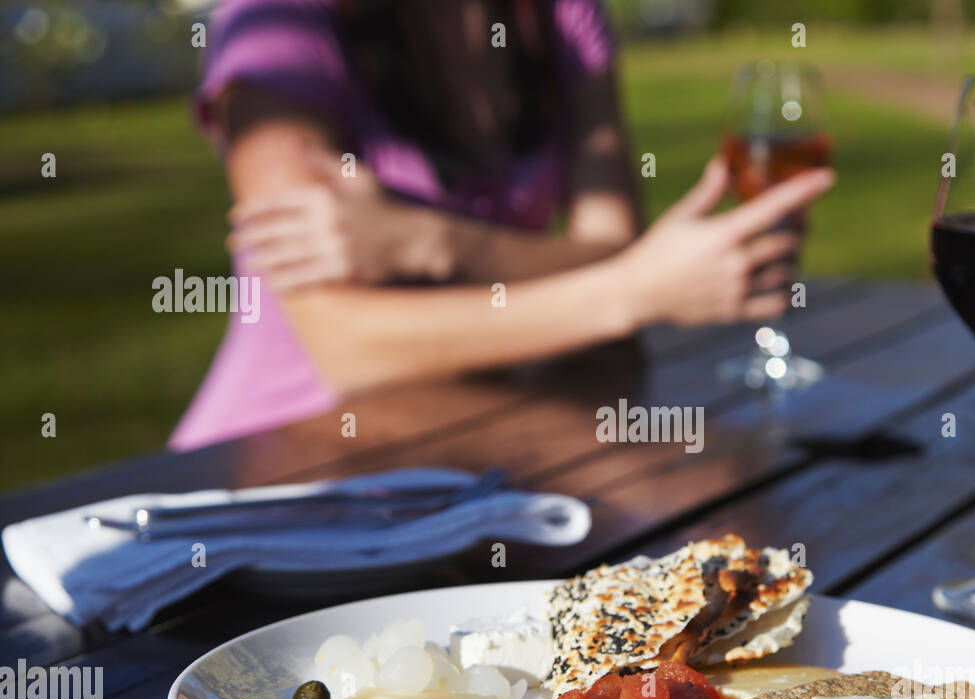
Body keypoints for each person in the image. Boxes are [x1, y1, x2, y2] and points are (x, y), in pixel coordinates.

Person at [170, 0, 834, 450]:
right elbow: (343, 345)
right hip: (280, 461)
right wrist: (633, 292)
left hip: (483, 458)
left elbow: (610, 247)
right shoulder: (274, 22)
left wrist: (431, 242)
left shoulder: (563, 18)